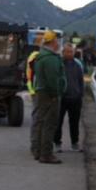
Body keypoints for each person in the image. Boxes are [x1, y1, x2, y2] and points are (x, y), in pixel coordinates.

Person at [31, 30, 64, 164]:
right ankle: (46, 154)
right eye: (56, 41)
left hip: (41, 92)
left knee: (40, 121)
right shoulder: (50, 58)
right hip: (49, 94)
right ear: (53, 42)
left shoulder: (41, 56)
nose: (58, 43)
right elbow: (53, 80)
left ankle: (37, 151)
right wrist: (55, 94)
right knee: (49, 124)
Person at [53, 44, 85, 153]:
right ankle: (57, 143)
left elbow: (81, 81)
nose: (69, 54)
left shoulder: (78, 65)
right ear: (63, 53)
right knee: (58, 122)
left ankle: (74, 143)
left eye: (71, 52)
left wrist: (81, 95)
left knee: (74, 122)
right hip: (61, 98)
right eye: (67, 52)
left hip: (75, 98)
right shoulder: (58, 64)